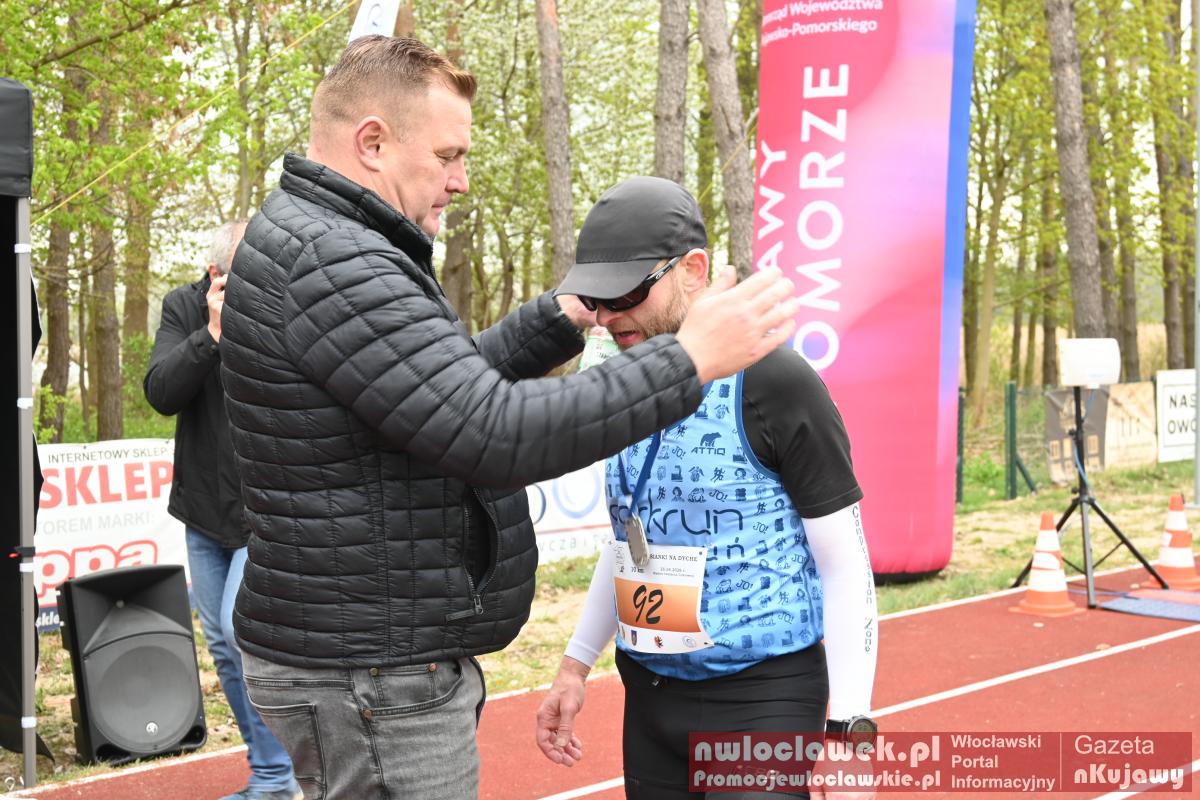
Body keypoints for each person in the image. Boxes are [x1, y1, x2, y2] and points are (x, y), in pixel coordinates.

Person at [218, 35, 800, 800]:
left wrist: (555, 321)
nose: (460, 181)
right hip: (373, 671)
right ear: (373, 142)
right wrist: (687, 360)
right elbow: (489, 430)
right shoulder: (338, 262)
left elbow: (430, 393)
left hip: (363, 652)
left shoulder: (322, 239)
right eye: (448, 156)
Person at [535, 177, 879, 800]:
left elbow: (845, 563)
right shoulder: (618, 379)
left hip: (761, 699)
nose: (608, 316)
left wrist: (849, 732)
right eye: (595, 298)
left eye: (627, 293)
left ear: (692, 271)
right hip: (649, 696)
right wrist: (575, 664)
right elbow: (631, 542)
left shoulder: (774, 379)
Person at [144, 220, 300, 800]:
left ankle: (287, 772)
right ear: (216, 273)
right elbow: (161, 392)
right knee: (222, 645)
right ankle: (273, 774)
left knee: (244, 635)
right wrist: (211, 333)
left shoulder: (290, 302)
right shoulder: (184, 307)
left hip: (270, 510)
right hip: (205, 511)